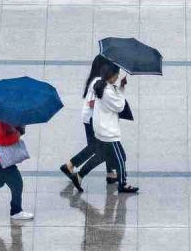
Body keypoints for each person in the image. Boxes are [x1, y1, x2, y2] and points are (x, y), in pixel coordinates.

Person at [59, 55, 119, 190]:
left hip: (91, 118)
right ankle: (72, 167)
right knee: (100, 150)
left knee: (100, 148)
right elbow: (92, 103)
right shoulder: (98, 81)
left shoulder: (98, 79)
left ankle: (110, 173)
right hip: (93, 119)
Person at [89, 65, 139, 194]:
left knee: (108, 156)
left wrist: (121, 86)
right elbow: (120, 106)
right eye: (117, 75)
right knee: (120, 158)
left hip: (102, 129)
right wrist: (122, 90)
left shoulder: (103, 86)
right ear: (111, 76)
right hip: (109, 132)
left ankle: (79, 175)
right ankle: (122, 183)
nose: (118, 77)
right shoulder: (108, 91)